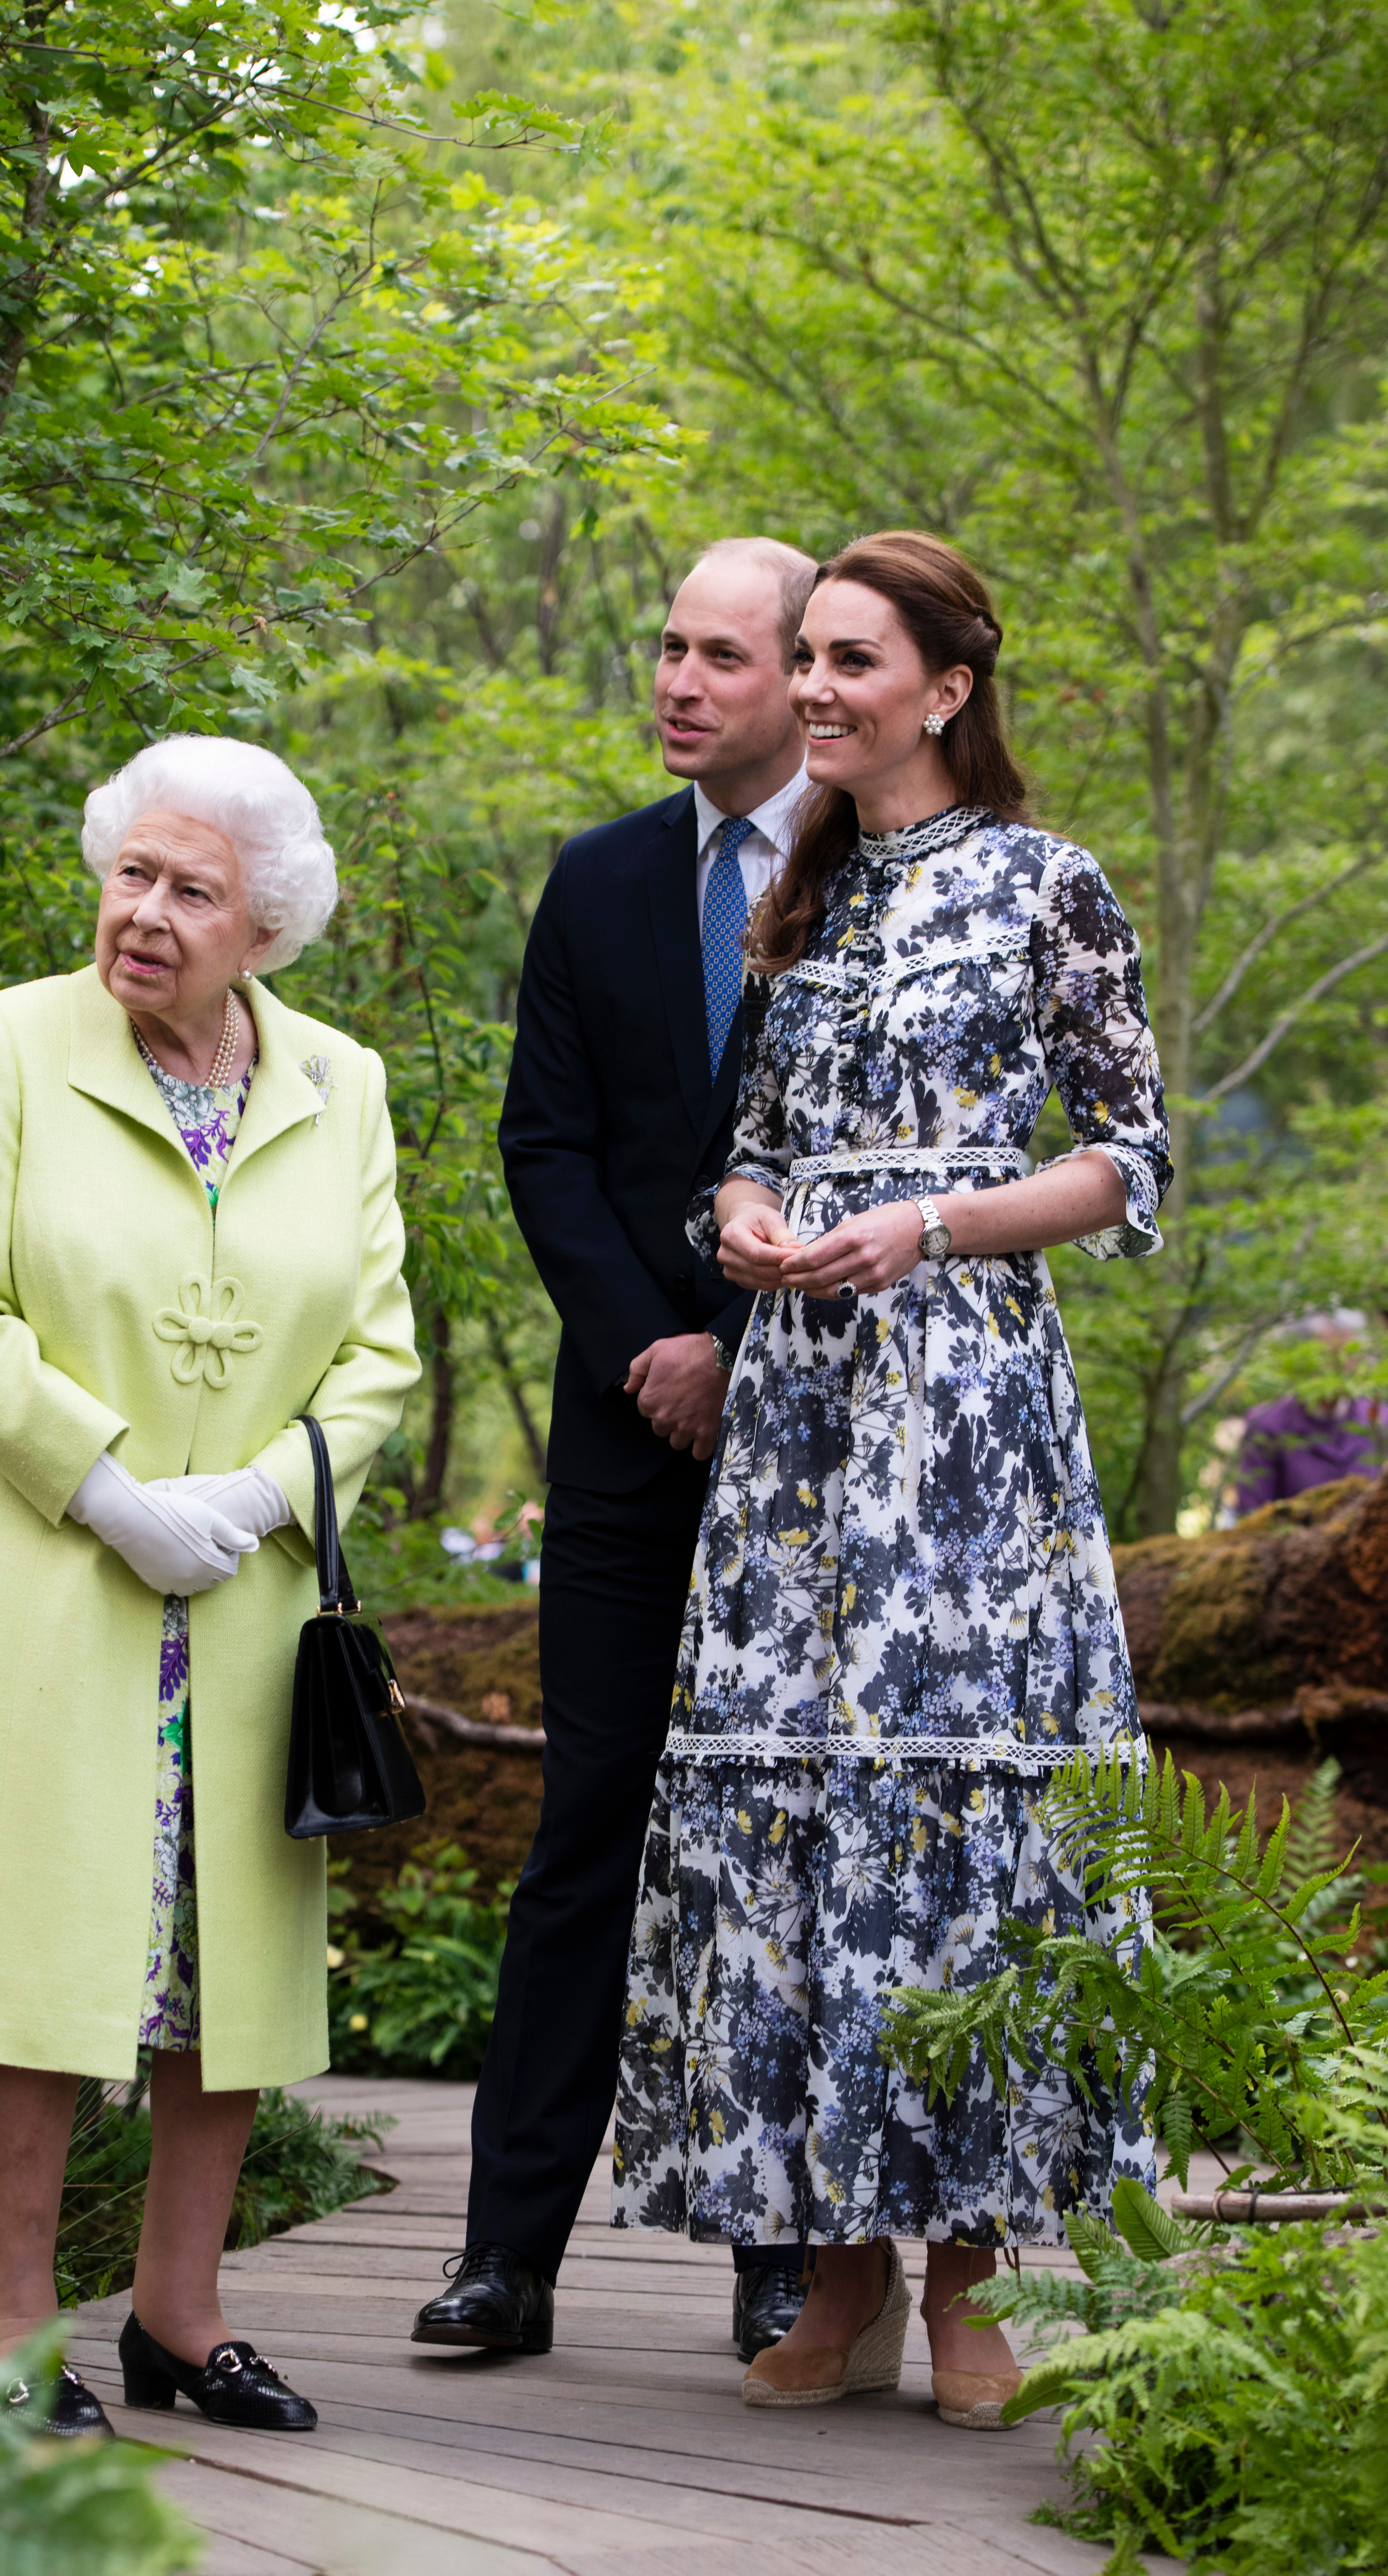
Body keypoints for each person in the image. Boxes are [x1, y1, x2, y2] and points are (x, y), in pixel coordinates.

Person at [612, 531, 1171, 2430]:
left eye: (852, 661)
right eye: (811, 661)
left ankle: (970, 2278)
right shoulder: (807, 894)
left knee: (955, 1821)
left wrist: (926, 1225)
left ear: (946, 685)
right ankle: (831, 2270)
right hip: (795, 1435)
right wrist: (754, 1216)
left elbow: (1127, 1168)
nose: (819, 689)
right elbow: (747, 1151)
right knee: (801, 1814)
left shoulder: (1049, 887)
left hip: (962, 1424)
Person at [0, 736, 420, 2437]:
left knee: (221, 1970)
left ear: (262, 924)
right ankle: (5, 2320)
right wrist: (111, 1491)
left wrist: (262, 1494)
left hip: (249, 1599)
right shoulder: (13, 1042)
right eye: (131, 872)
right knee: (41, 1958)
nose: (144, 913)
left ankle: (181, 2318)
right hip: (61, 1580)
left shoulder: (339, 1081)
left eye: (191, 890)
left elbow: (378, 1350)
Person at [411, 537, 822, 2366]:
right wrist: (653, 1345)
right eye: (666, 646)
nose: (676, 680)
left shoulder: (886, 881)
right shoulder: (591, 883)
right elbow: (543, 1147)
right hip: (622, 1427)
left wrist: (748, 1350)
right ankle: (508, 2259)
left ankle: (778, 2256)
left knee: (778, 1836)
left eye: (719, 655)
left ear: (803, 674)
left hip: (824, 1434)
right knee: (585, 1825)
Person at [1232, 1311, 1388, 1513]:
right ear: (1302, 1360)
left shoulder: (1384, 1421)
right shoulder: (1269, 1425)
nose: (1342, 1366)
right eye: (1330, 1355)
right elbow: (1252, 1515)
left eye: (1350, 1354)